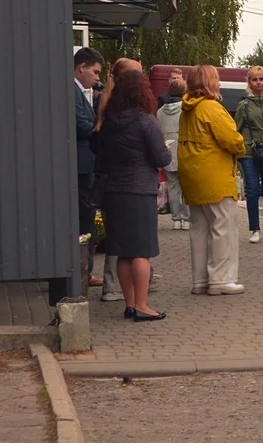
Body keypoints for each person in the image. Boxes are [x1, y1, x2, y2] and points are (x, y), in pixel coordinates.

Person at [91, 70, 172, 322]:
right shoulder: (145, 121)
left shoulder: (108, 121)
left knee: (123, 252)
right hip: (139, 191)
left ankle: (128, 304)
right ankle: (142, 305)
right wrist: (166, 149)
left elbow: (98, 150)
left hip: (114, 190)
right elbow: (161, 158)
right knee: (141, 251)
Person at [178, 65, 247, 296]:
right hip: (214, 175)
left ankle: (200, 280)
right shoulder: (211, 108)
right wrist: (241, 144)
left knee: (199, 229)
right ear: (210, 82)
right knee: (223, 227)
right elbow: (231, 139)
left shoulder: (186, 109)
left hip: (192, 175)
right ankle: (221, 279)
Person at [234, 66, 263, 243]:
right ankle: (255, 229)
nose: (258, 83)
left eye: (261, 79)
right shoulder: (243, 105)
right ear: (249, 82)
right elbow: (236, 129)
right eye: (254, 79)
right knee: (252, 189)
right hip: (250, 151)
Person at [73, 47, 105, 287]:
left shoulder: (80, 91)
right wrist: (99, 125)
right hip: (80, 166)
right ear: (81, 67)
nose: (97, 77)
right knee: (83, 219)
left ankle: (85, 271)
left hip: (85, 164)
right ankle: (81, 272)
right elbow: (82, 126)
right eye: (94, 72)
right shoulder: (72, 92)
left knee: (86, 218)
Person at [158, 73, 190, 231]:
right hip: (184, 152)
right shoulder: (186, 109)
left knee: (172, 187)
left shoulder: (160, 112)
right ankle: (187, 219)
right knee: (186, 187)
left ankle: (176, 219)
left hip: (168, 151)